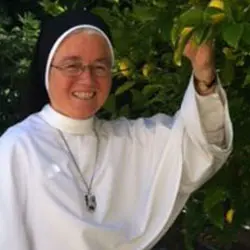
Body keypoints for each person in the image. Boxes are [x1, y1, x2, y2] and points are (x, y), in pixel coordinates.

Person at [0, 9, 232, 250]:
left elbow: (199, 144)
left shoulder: (128, 141)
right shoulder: (17, 149)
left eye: (100, 67)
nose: (87, 80)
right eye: (72, 66)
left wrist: (204, 75)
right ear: (47, 69)